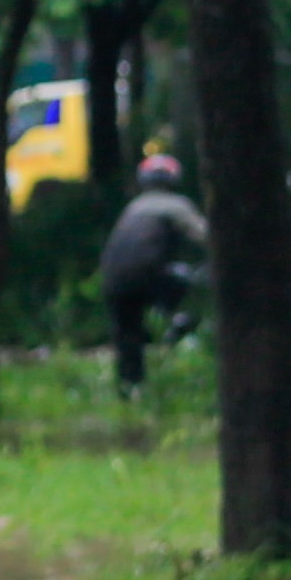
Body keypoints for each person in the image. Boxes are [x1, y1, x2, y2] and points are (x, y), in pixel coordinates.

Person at [97, 150, 209, 397]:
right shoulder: (177, 206)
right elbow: (207, 238)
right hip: (148, 274)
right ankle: (176, 326)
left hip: (112, 278)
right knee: (194, 290)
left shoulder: (133, 208)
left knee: (127, 337)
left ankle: (130, 390)